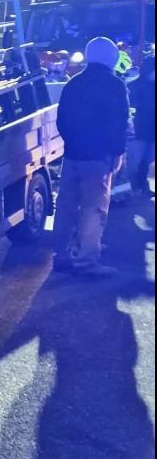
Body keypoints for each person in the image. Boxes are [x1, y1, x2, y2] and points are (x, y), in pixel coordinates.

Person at [52, 37, 130, 278]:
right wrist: (117, 152)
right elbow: (119, 124)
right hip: (98, 157)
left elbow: (61, 121)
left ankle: (63, 254)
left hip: (73, 154)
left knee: (66, 205)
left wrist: (73, 143)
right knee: (93, 207)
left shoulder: (73, 84)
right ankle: (87, 259)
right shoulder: (115, 85)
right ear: (111, 58)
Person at [128, 55, 155, 197]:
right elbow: (131, 108)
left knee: (151, 160)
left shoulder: (134, 85)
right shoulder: (134, 86)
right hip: (139, 129)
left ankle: (146, 186)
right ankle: (136, 186)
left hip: (149, 128)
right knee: (138, 160)